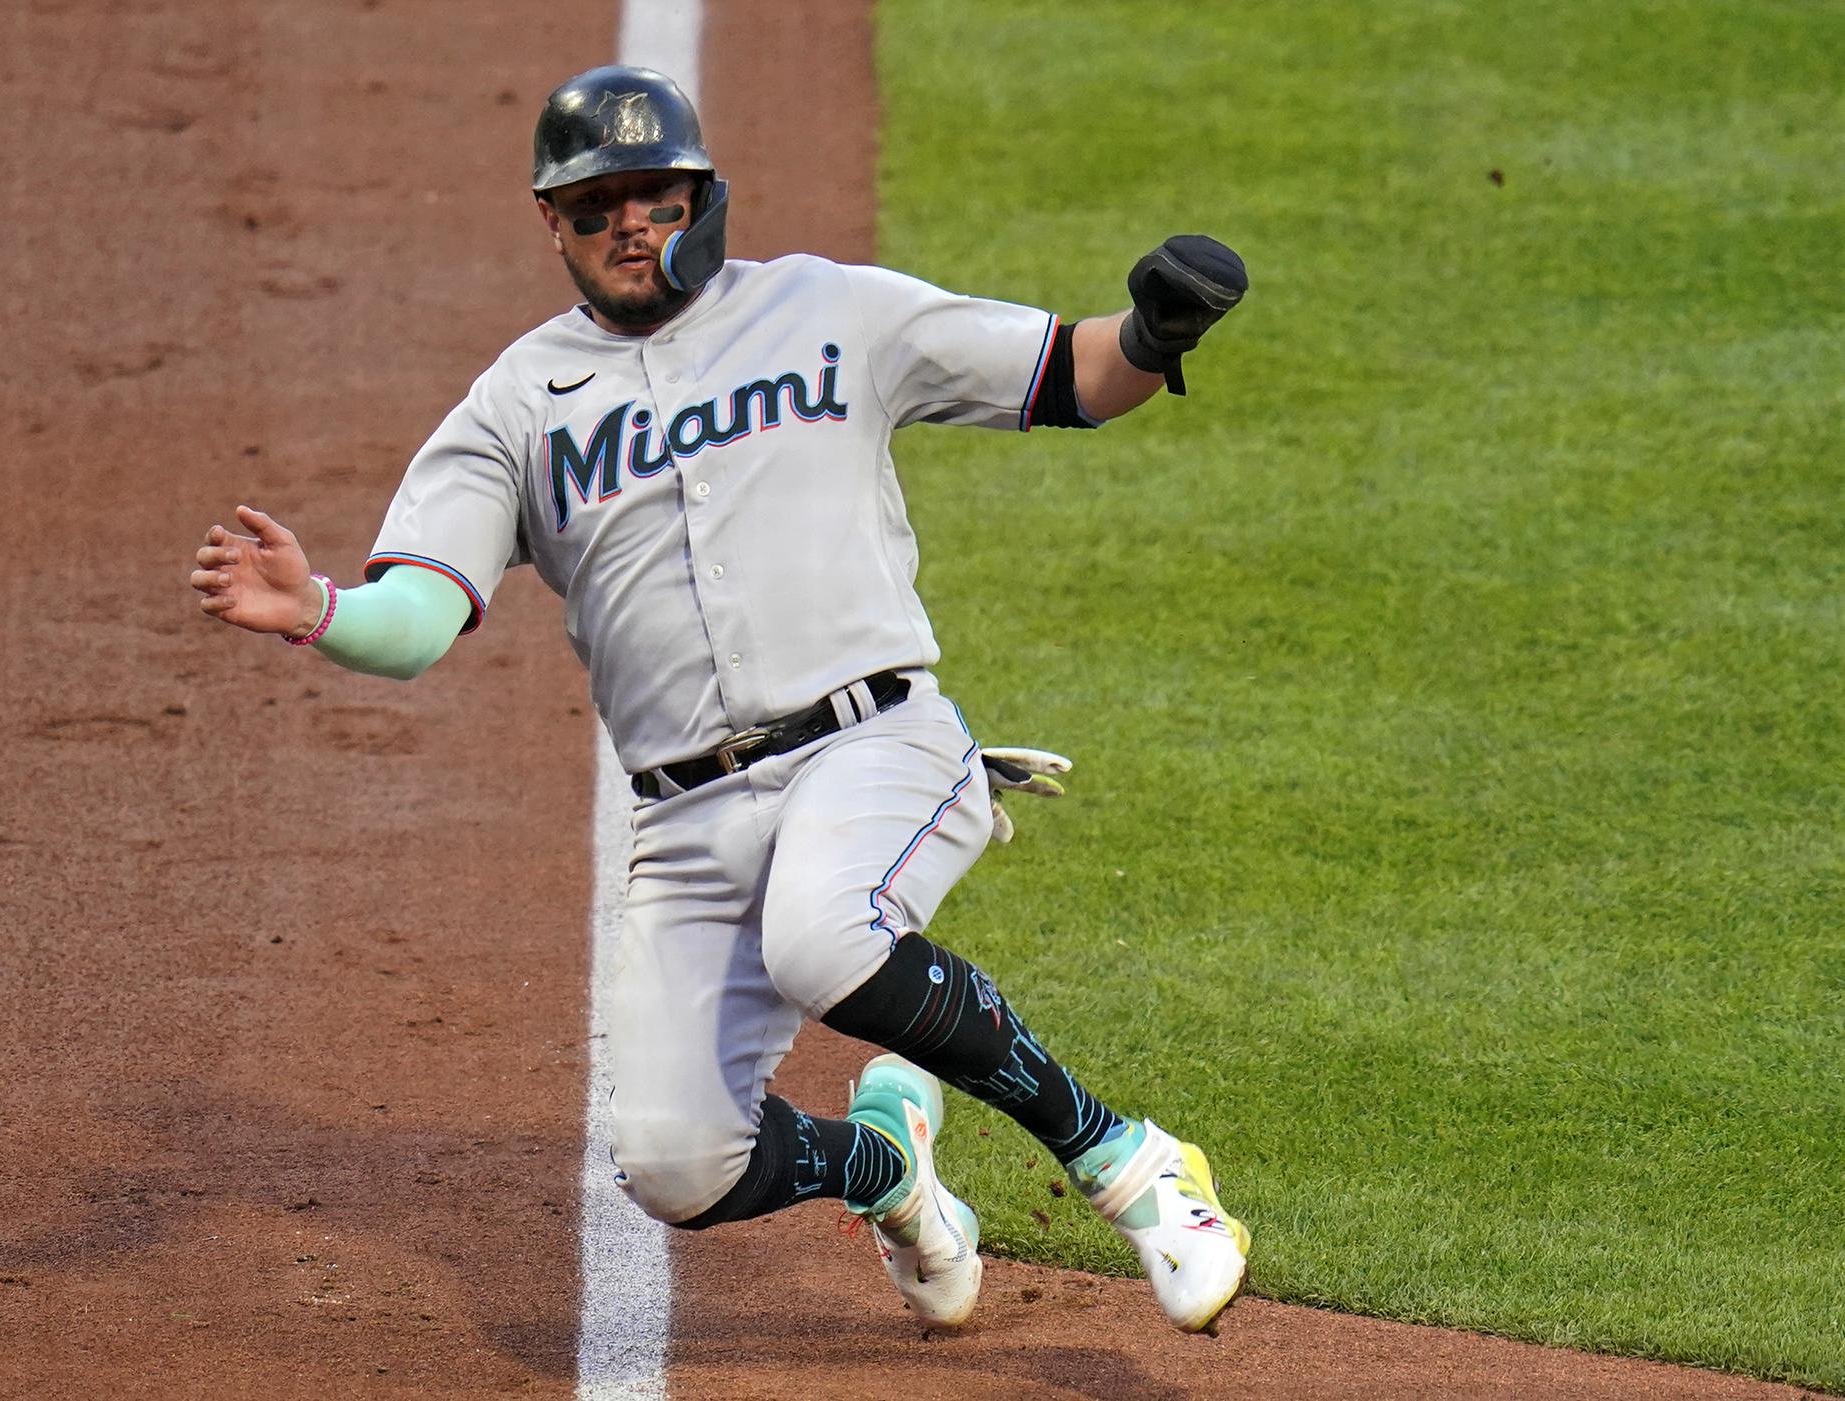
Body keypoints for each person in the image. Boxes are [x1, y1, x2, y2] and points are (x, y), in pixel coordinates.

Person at [190, 65, 1251, 1334]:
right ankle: (888, 1169)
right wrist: (313, 608)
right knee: (677, 1167)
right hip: (689, 824)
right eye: (598, 207)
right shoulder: (517, 408)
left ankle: (1132, 1166)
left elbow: (1068, 377)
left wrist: (1153, 333)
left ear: (704, 195)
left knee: (822, 938)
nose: (631, 223)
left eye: (657, 195)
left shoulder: (831, 310)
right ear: (555, 225)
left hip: (874, 745)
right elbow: (417, 618)